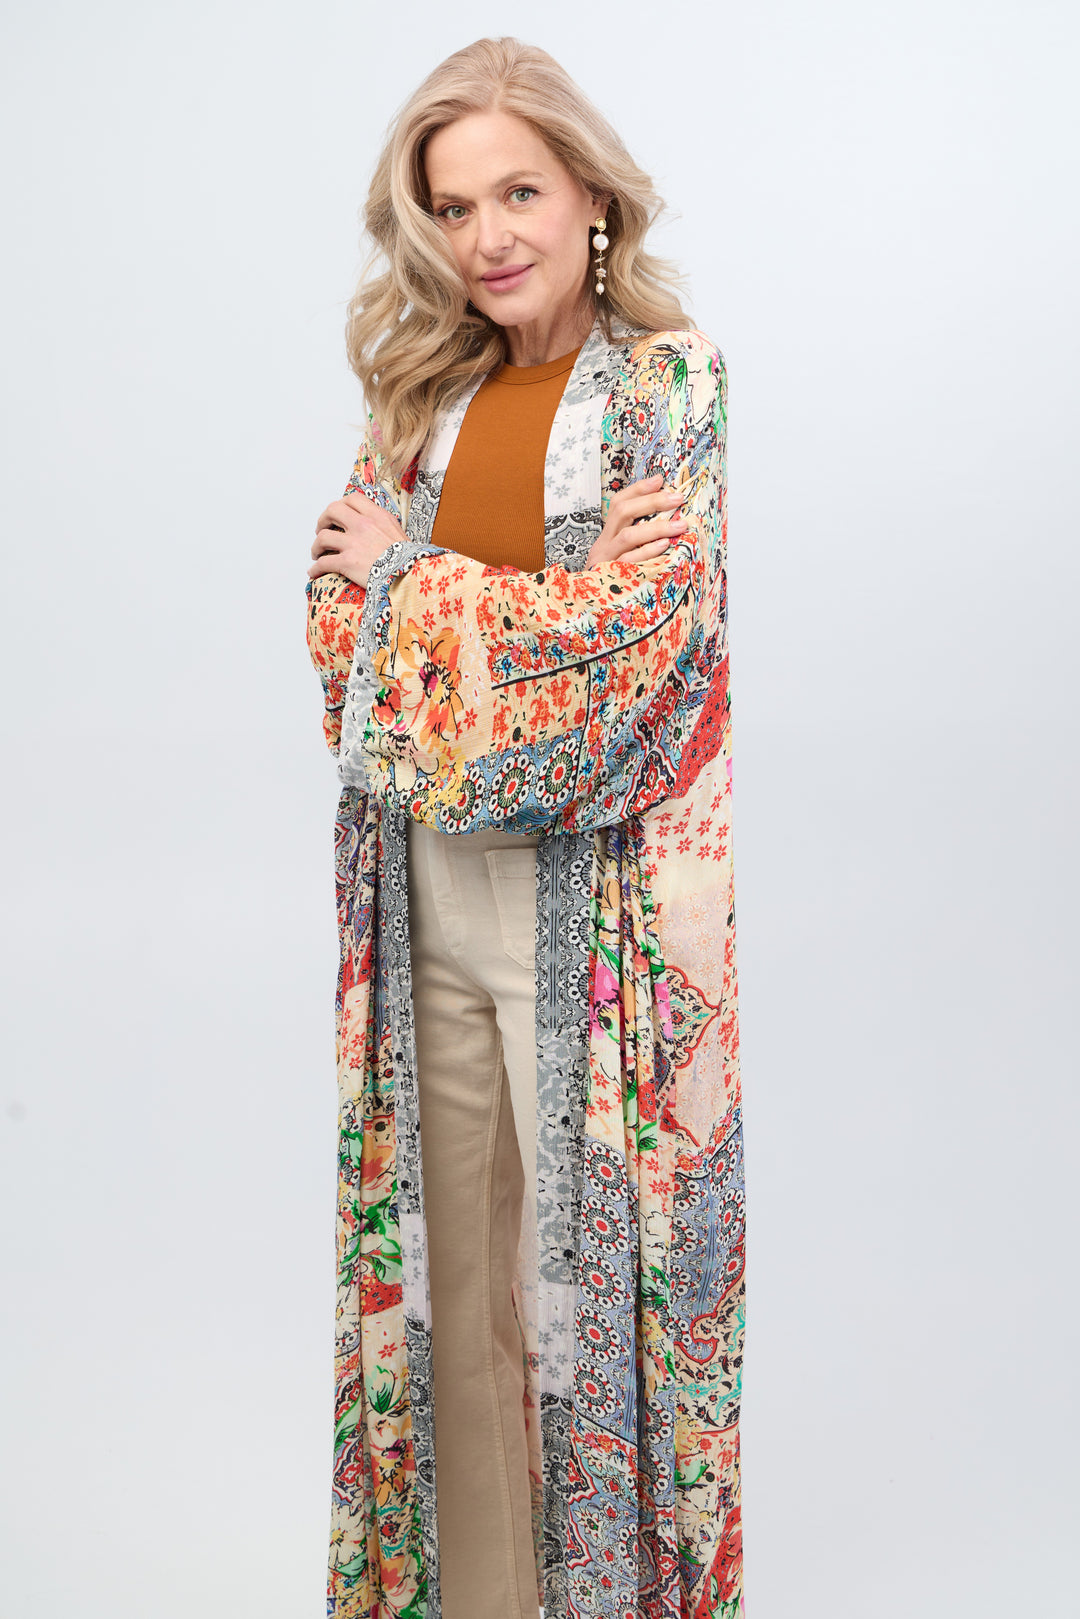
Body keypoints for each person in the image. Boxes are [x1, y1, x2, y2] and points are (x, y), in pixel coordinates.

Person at [305, 35, 745, 1619]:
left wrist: (414, 589)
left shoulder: (669, 382)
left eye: (518, 193)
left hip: (598, 906)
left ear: (590, 197)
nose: (487, 236)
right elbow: (336, 651)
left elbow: (632, 678)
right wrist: (527, 623)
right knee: (451, 1293)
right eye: (451, 206)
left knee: (591, 1295)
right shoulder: (420, 400)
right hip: (423, 892)